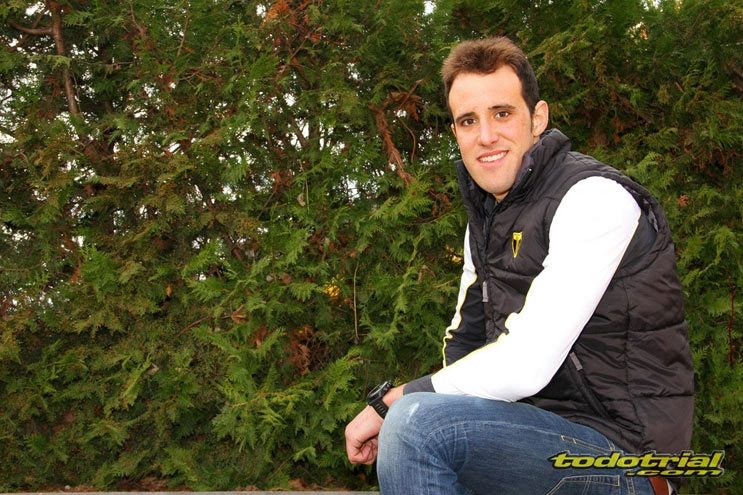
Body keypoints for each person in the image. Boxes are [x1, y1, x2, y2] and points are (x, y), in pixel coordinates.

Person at [344, 36, 694, 495]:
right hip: (534, 439)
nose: (486, 136)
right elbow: (464, 346)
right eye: (468, 120)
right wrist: (416, 409)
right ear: (456, 133)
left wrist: (396, 401)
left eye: (502, 113)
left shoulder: (594, 199)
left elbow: (527, 363)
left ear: (538, 118)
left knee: (415, 424)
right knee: (421, 426)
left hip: (627, 457)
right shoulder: (485, 221)